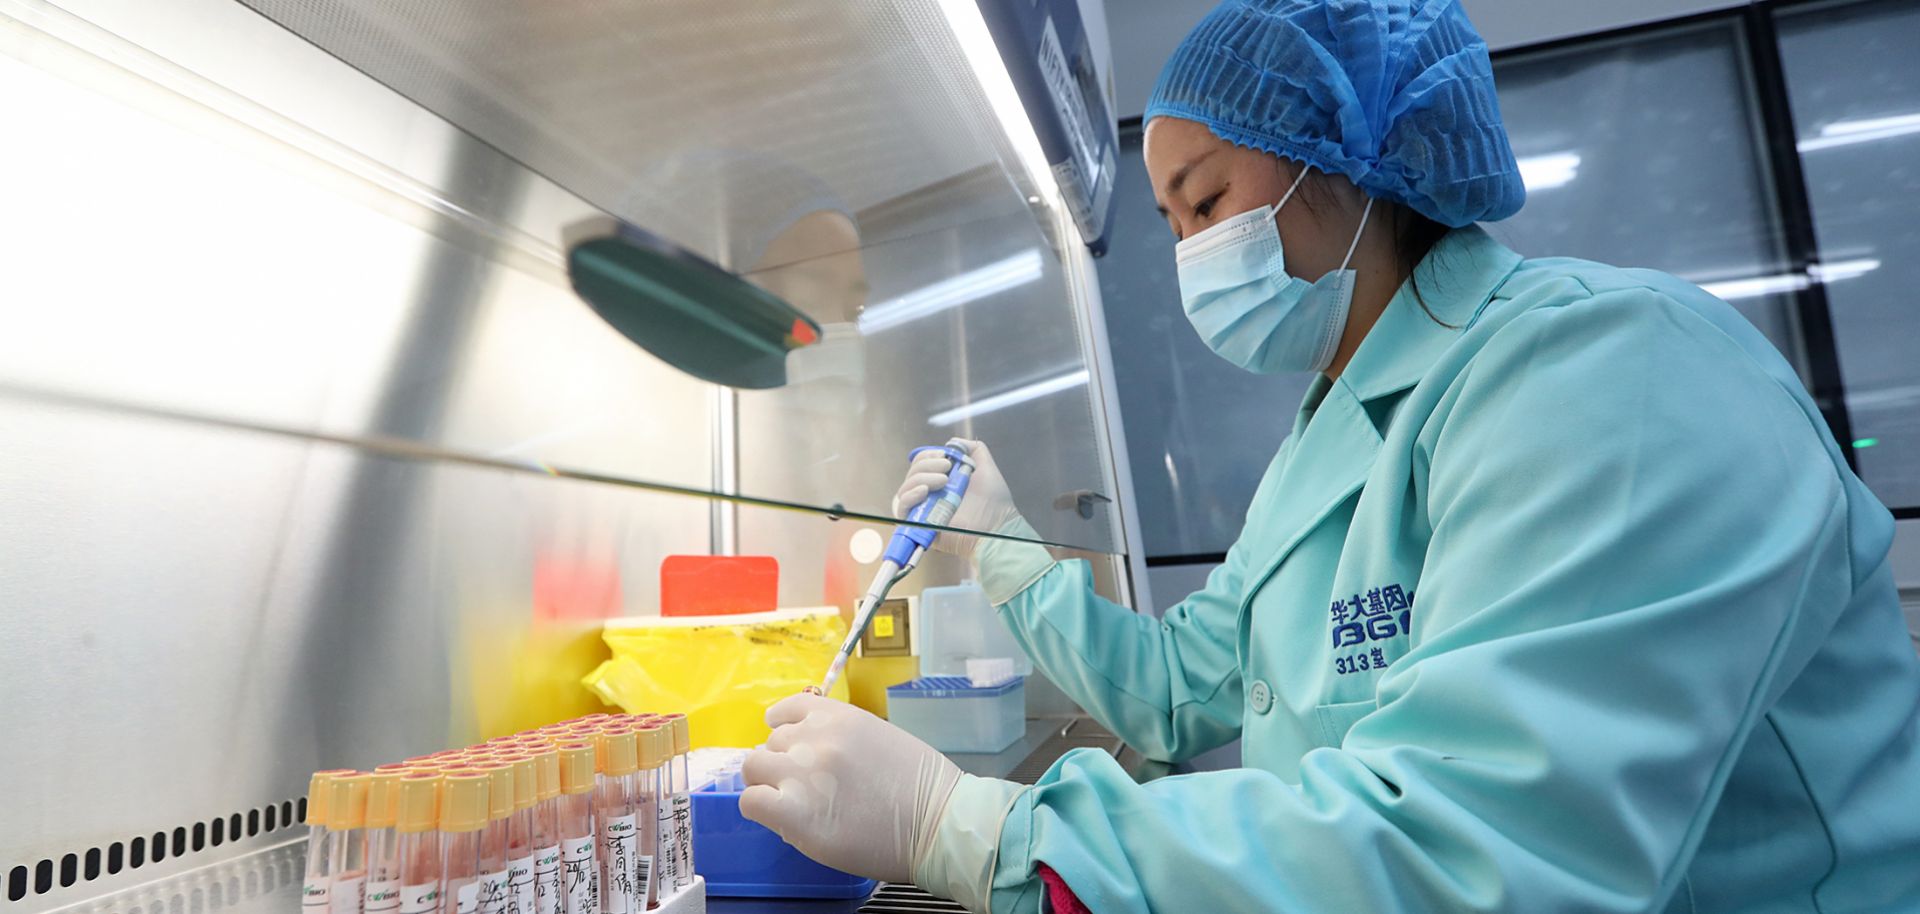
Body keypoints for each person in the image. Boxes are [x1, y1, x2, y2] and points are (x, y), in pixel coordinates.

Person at [738, 0, 1920, 910]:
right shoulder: (1333, 431)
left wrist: (976, 828)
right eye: (1173, 224)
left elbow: (1479, 852)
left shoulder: (1606, 374)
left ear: (1345, 156)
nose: (1194, 253)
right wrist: (1001, 542)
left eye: (1205, 203)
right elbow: (1177, 687)